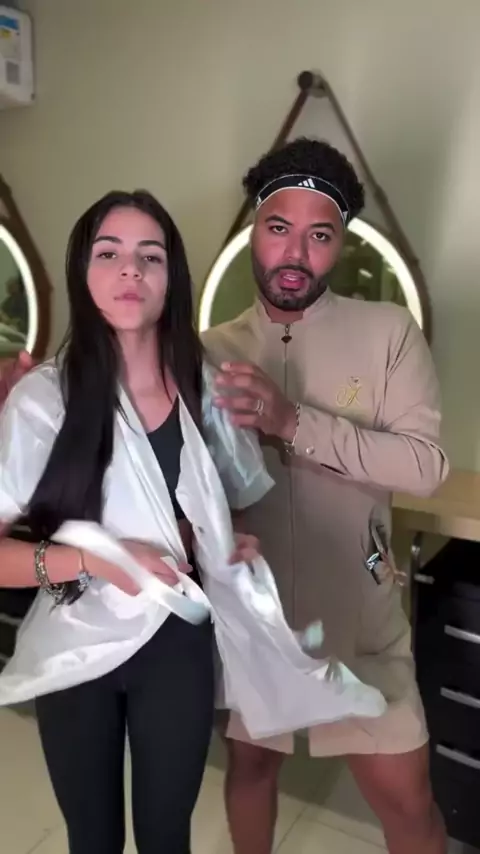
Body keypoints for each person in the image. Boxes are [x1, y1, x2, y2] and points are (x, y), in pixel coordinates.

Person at [201, 138, 449, 854]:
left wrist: (293, 423)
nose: (295, 253)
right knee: (251, 768)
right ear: (254, 229)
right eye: (279, 227)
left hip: (360, 614)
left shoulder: (388, 333)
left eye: (320, 235)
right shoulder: (210, 349)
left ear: (341, 244)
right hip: (257, 619)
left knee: (409, 801)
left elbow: (425, 466)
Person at [0, 190, 266, 854]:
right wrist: (99, 560)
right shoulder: (43, 401)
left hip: (176, 646)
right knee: (92, 838)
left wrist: (227, 542)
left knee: (165, 836)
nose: (130, 270)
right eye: (109, 253)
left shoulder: (208, 392)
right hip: (75, 640)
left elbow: (228, 506)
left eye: (151, 256)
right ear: (83, 272)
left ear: (172, 277)